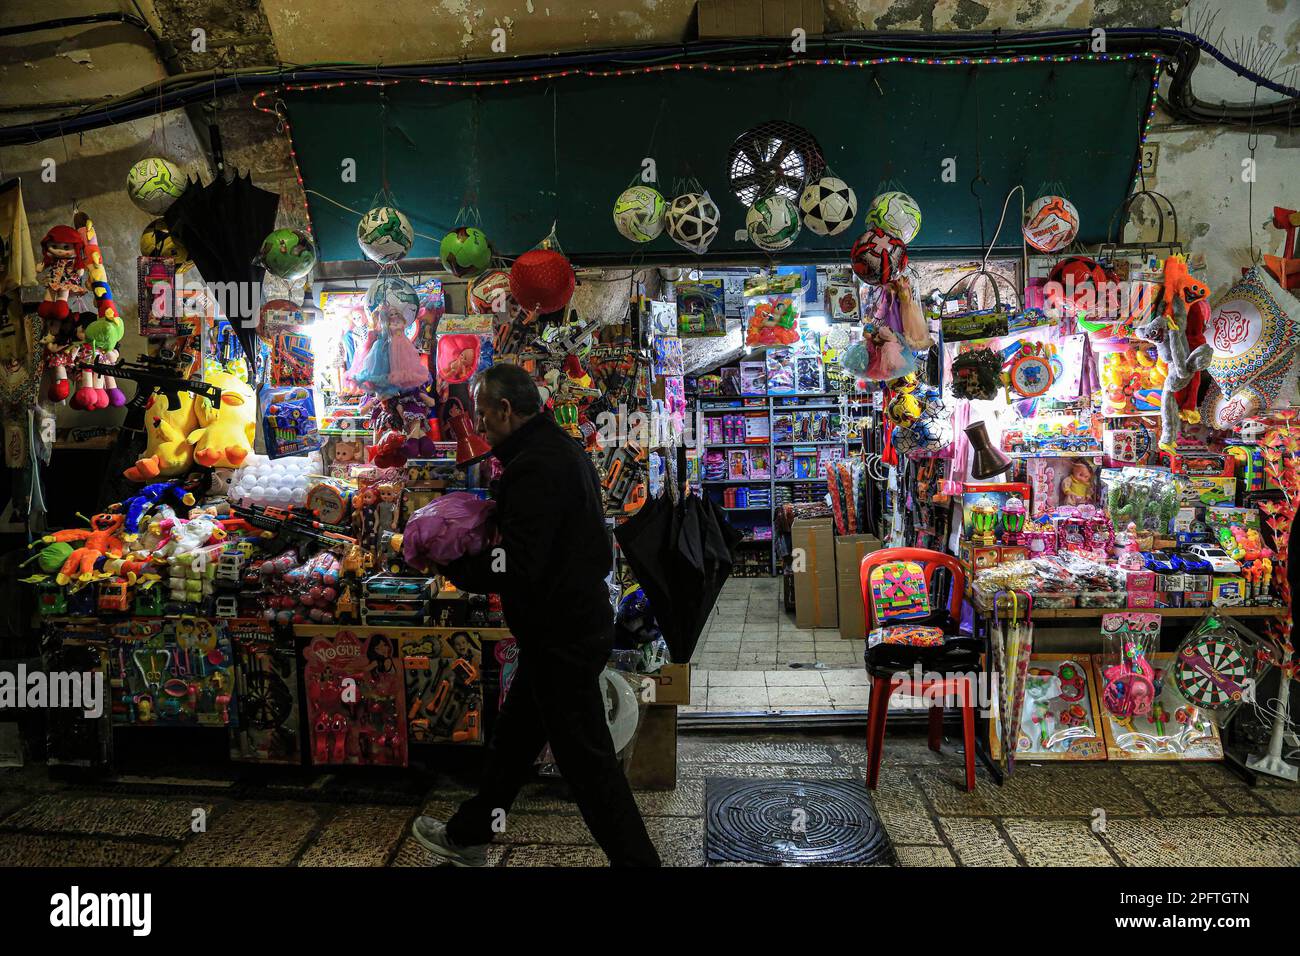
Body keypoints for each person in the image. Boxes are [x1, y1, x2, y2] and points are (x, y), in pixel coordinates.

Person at [411, 363, 660, 868]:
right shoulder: (558, 449)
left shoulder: (534, 467)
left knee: (587, 764)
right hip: (565, 626)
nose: (478, 426)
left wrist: (455, 565)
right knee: (515, 739)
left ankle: (640, 865)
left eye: (482, 414)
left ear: (506, 409)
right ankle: (469, 834)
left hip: (560, 634)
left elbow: (518, 563)